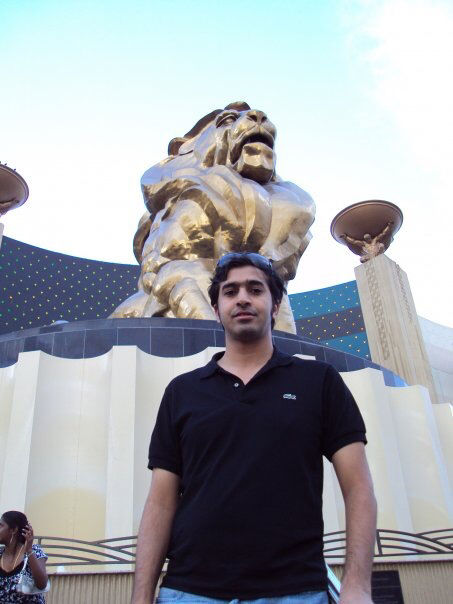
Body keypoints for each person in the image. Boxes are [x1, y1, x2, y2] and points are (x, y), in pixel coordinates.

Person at [131, 252, 377, 604]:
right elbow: (160, 501)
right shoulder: (182, 392)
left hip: (294, 592)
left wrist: (357, 586)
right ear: (216, 309)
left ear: (275, 305)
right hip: (189, 591)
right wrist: (141, 596)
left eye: (255, 289)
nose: (242, 298)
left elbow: (358, 488)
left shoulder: (319, 381)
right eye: (230, 292)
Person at [0, 511, 48, 603]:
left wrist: (29, 550)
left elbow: (42, 584)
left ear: (13, 530)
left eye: (0, 525)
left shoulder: (34, 551)